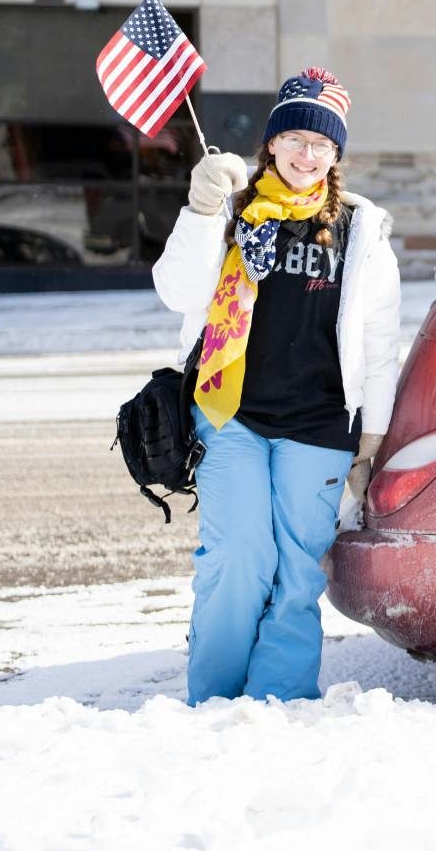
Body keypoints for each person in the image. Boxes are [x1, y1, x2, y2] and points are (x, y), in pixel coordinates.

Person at [151, 67, 401, 703]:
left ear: (337, 153)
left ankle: (278, 701)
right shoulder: (234, 210)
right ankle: (212, 697)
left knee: (296, 571)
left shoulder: (361, 228)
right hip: (230, 411)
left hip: (320, 424)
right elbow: (177, 291)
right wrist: (202, 207)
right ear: (272, 143)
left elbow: (378, 339)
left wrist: (372, 434)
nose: (307, 154)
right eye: (295, 138)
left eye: (321, 144)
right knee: (238, 557)